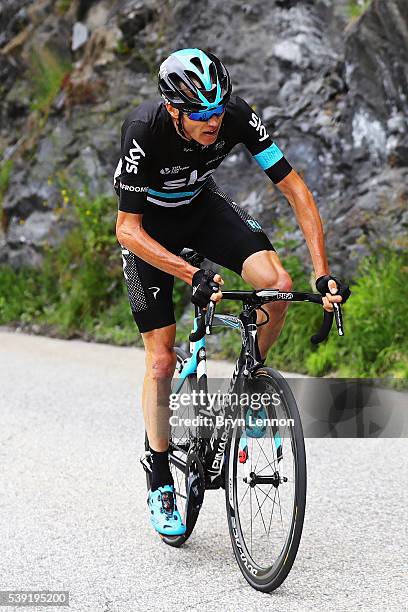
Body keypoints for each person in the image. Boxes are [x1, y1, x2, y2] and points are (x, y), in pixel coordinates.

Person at [114, 48, 350, 537]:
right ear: (174, 109)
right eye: (200, 113)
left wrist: (321, 273)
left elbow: (296, 190)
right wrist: (189, 274)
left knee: (277, 287)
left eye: (218, 109)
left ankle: (248, 388)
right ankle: (159, 476)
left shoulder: (236, 116)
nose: (213, 121)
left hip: (201, 210)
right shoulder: (143, 131)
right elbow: (127, 230)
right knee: (160, 361)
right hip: (150, 233)